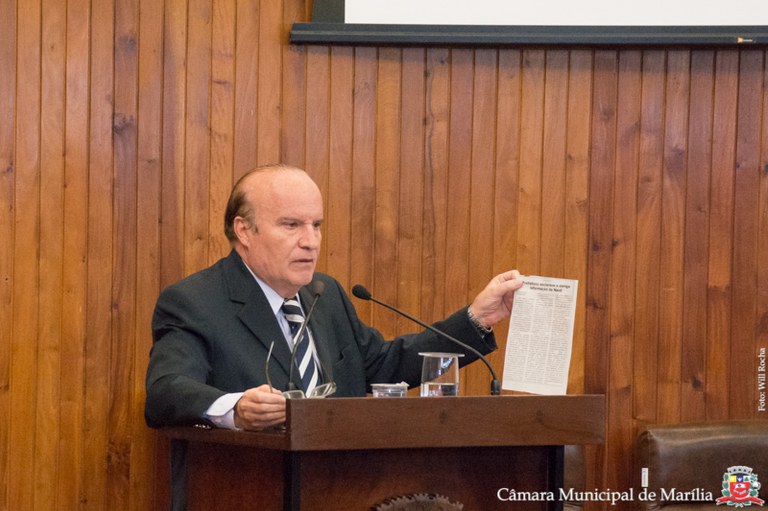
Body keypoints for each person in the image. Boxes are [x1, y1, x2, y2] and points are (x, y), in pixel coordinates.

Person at [145, 163, 524, 432]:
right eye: (292, 225)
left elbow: (385, 366)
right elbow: (166, 390)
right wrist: (236, 408)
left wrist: (476, 319)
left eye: (316, 225)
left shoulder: (324, 295)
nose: (310, 241)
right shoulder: (195, 302)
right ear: (244, 230)